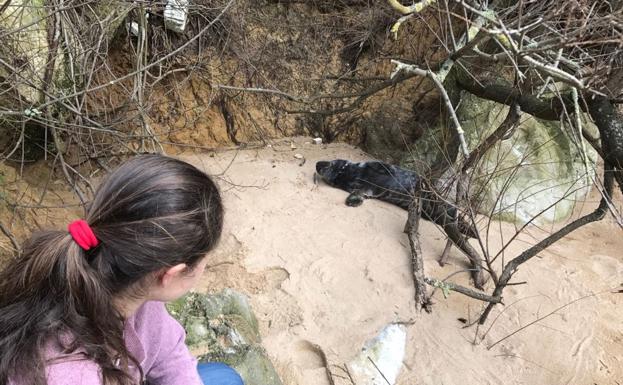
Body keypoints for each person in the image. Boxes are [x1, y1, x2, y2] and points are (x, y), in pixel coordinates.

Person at [0, 155, 244, 385]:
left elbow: (170, 354)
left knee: (224, 376)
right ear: (168, 274)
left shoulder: (128, 286)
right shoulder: (66, 374)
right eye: (205, 259)